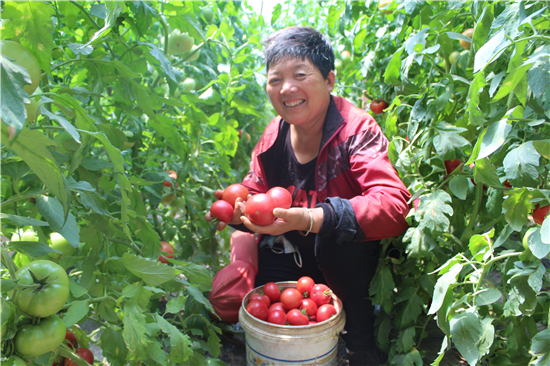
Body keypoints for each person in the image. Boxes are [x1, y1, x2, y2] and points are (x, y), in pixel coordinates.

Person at [206, 26, 411, 366]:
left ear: (329, 80)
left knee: (335, 239)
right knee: (254, 307)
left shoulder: (356, 130)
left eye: (300, 75)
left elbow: (394, 205)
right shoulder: (273, 135)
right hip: (292, 258)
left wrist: (317, 218)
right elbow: (252, 195)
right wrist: (241, 256)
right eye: (275, 80)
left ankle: (361, 344)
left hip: (348, 259)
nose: (286, 89)